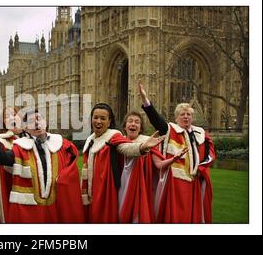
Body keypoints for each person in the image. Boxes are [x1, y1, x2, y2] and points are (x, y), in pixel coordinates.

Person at [0, 108, 85, 223]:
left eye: (38, 119)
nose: (36, 123)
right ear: (25, 128)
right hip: (29, 210)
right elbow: (2, 158)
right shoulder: (20, 147)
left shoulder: (61, 145)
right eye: (31, 121)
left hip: (55, 206)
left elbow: (72, 165)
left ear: (45, 122)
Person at [139, 82, 216, 223]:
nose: (186, 117)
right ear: (176, 118)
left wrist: (201, 168)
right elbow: (156, 120)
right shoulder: (170, 129)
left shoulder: (201, 134)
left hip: (195, 180)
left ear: (192, 117)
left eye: (188, 114)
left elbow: (210, 154)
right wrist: (146, 101)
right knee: (175, 217)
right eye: (182, 114)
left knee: (193, 217)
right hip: (174, 181)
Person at [81, 103, 164, 223]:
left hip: (105, 191)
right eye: (95, 117)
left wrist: (142, 147)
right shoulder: (91, 140)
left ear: (109, 122)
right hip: (91, 190)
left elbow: (125, 148)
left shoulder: (113, 137)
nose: (98, 121)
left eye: (103, 118)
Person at [120, 111, 187, 223]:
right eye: (130, 121)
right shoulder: (118, 141)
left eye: (137, 122)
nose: (133, 124)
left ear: (140, 127)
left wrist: (174, 158)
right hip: (121, 186)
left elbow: (159, 164)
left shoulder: (148, 142)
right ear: (124, 126)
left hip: (141, 187)